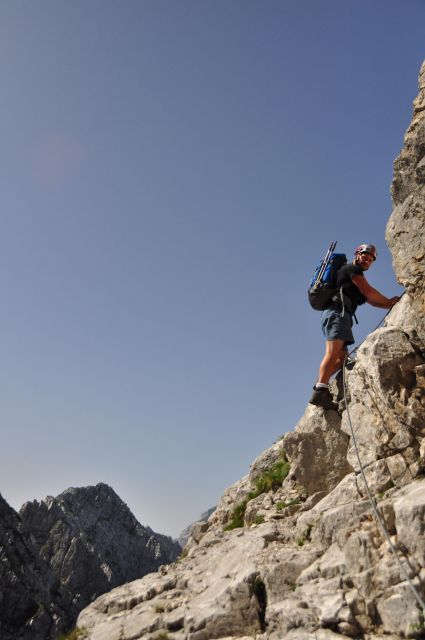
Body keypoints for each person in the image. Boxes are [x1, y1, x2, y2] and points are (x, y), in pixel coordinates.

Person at [309, 244, 401, 410]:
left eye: (371, 259)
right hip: (337, 313)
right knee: (332, 352)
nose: (368, 260)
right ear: (357, 254)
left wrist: (390, 305)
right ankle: (320, 391)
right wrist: (389, 301)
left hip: (340, 315)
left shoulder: (352, 281)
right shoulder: (351, 269)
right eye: (365, 255)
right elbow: (369, 291)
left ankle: (320, 385)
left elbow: (371, 300)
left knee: (342, 359)